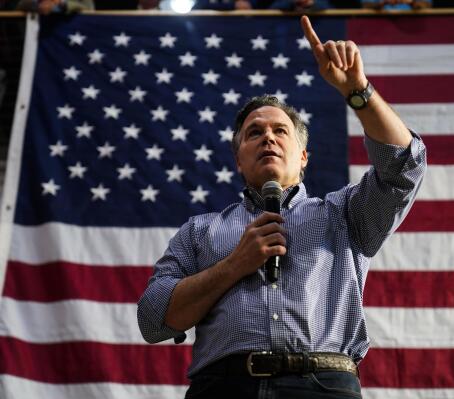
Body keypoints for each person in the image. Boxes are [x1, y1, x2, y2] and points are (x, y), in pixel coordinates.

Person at [137, 15, 427, 398]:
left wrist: (358, 90)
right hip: (224, 388)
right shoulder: (199, 231)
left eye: (280, 131)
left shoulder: (344, 215)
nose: (267, 139)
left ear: (303, 156)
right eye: (253, 133)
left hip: (323, 386)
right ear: (239, 159)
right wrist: (234, 264)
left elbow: (404, 166)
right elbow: (154, 319)